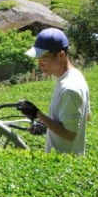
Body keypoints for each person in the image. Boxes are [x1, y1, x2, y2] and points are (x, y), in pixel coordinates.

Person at [17, 27, 91, 155]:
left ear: (61, 55)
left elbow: (69, 135)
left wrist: (37, 113)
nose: (39, 64)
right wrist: (47, 126)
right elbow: (86, 116)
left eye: (44, 59)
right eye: (38, 59)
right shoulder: (75, 76)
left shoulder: (69, 88)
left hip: (65, 165)